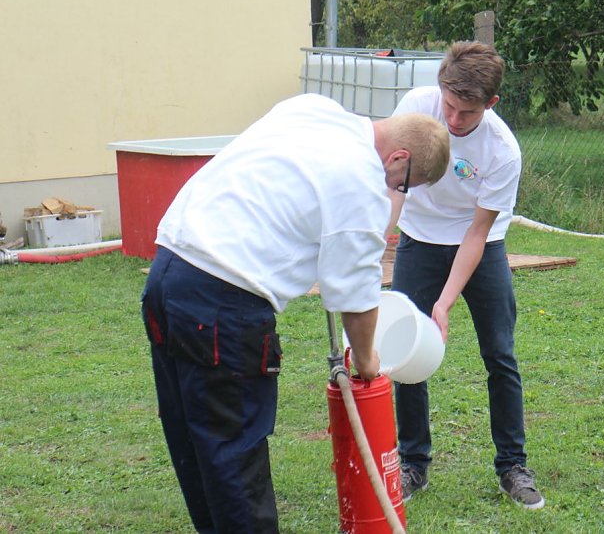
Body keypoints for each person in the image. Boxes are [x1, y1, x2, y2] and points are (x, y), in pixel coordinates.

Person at [140, 92, 449, 533]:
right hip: (224, 303)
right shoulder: (361, 179)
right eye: (404, 183)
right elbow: (358, 298)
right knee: (234, 455)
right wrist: (366, 363)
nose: (395, 191)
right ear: (399, 157)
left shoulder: (314, 109)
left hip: (167, 273)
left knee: (195, 442)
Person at [387, 41, 545, 510]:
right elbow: (395, 181)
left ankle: (512, 466)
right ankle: (413, 463)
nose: (453, 121)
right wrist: (383, 233)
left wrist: (445, 301)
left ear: (491, 104)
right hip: (418, 239)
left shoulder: (502, 149)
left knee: (500, 354)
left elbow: (477, 233)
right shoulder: (416, 108)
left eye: (467, 112)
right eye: (449, 106)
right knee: (405, 354)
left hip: (482, 246)